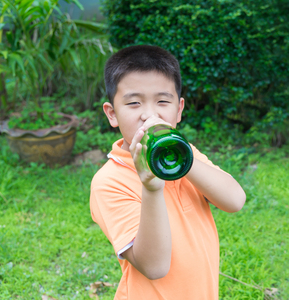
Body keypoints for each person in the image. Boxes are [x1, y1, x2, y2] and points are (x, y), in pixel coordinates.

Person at [90, 45, 246, 300]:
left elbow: (235, 200)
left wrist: (184, 159)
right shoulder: (109, 182)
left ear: (179, 110)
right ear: (112, 113)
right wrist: (151, 189)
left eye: (163, 101)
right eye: (133, 103)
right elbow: (154, 267)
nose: (149, 115)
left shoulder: (186, 155)